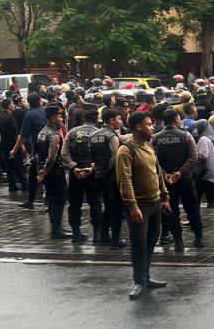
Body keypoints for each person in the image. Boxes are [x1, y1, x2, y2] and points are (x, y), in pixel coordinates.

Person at [116, 110, 171, 300]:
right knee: (139, 244)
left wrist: (165, 197)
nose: (152, 127)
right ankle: (139, 281)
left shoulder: (149, 147)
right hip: (140, 205)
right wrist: (132, 206)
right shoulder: (126, 150)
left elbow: (158, 172)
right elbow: (125, 180)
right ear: (138, 127)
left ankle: (146, 276)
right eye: (149, 124)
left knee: (151, 241)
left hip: (155, 202)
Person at [153, 107, 203, 252]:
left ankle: (178, 241)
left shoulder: (156, 138)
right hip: (185, 179)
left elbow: (153, 160)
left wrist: (165, 174)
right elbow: (193, 157)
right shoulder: (186, 136)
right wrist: (180, 173)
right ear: (176, 119)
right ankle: (198, 238)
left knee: (171, 210)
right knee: (192, 208)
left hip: (166, 181)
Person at [62, 104, 103, 243]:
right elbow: (103, 156)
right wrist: (91, 168)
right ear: (96, 119)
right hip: (93, 174)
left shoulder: (72, 132)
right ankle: (97, 234)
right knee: (95, 203)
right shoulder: (99, 134)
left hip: (75, 174)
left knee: (74, 204)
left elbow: (64, 153)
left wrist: (74, 167)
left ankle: (76, 233)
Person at [36, 105, 70, 240]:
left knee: (51, 199)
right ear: (52, 117)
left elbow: (39, 154)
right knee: (59, 200)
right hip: (54, 171)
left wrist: (41, 170)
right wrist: (45, 171)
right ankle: (56, 230)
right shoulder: (53, 134)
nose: (61, 118)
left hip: (45, 170)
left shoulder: (42, 132)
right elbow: (52, 157)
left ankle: (56, 227)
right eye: (59, 116)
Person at [93, 107, 125, 247]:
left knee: (105, 206)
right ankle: (115, 240)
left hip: (97, 174)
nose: (121, 122)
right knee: (115, 208)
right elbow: (116, 159)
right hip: (111, 176)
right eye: (119, 119)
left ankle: (103, 235)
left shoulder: (95, 135)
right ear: (112, 120)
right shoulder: (112, 136)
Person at [15, 94, 47, 209]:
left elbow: (23, 135)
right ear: (39, 101)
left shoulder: (29, 114)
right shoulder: (44, 111)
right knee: (40, 174)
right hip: (49, 147)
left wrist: (15, 149)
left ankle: (32, 201)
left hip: (38, 150)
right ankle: (33, 201)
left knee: (36, 175)